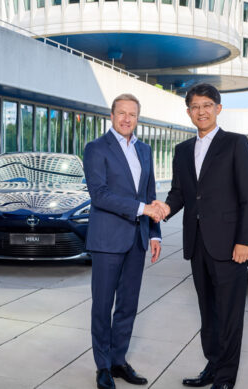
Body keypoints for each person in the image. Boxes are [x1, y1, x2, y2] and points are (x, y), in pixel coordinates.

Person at [154, 84, 248, 389]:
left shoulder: (236, 144)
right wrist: (164, 208)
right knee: (208, 312)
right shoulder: (182, 150)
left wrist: (245, 241)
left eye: (206, 105)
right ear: (188, 112)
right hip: (198, 243)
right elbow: (180, 193)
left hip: (229, 245)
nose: (201, 111)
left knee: (229, 314)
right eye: (195, 107)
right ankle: (212, 368)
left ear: (218, 108)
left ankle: (225, 379)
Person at [83, 93, 165, 389]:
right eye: (122, 113)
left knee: (128, 305)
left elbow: (149, 191)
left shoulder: (144, 150)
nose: (127, 118)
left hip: (137, 239)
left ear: (137, 119)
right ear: (112, 115)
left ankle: (119, 361)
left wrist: (154, 232)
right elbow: (100, 194)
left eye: (132, 114)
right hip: (107, 239)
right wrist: (143, 209)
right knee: (103, 306)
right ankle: (102, 366)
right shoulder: (96, 149)